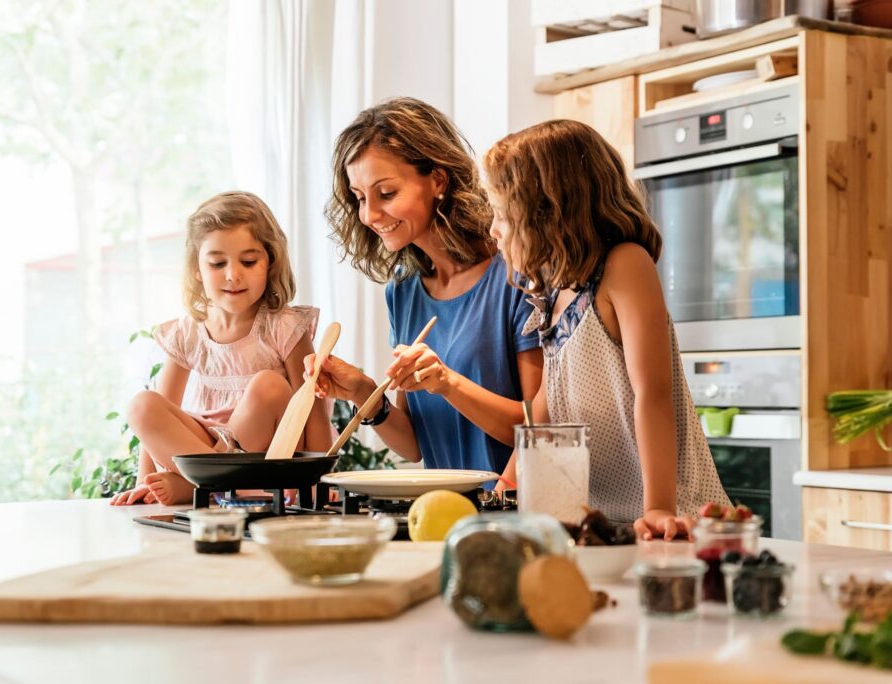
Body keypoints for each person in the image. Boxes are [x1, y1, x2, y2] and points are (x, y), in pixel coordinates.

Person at [483, 118, 730, 540]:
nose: (494, 230)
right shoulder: (554, 289)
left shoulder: (625, 266)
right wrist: (504, 489)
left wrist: (658, 508)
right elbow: (545, 407)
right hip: (602, 523)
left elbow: (653, 395)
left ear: (548, 210)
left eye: (503, 215)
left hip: (671, 518)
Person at [307, 97, 542, 476]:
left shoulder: (516, 275)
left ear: (437, 180)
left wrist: (447, 382)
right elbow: (415, 445)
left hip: (510, 515)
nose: (368, 215)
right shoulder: (403, 293)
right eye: (360, 198)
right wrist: (365, 393)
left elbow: (541, 432)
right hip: (442, 516)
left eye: (386, 194)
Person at [110, 191, 332, 506]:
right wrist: (142, 481)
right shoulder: (187, 331)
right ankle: (223, 487)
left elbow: (313, 410)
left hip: (264, 456)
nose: (233, 274)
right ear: (198, 270)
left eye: (249, 261)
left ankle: (206, 486)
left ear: (270, 262)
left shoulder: (284, 326)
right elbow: (163, 408)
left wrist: (316, 484)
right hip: (205, 447)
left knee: (268, 385)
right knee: (143, 405)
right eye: (217, 263)